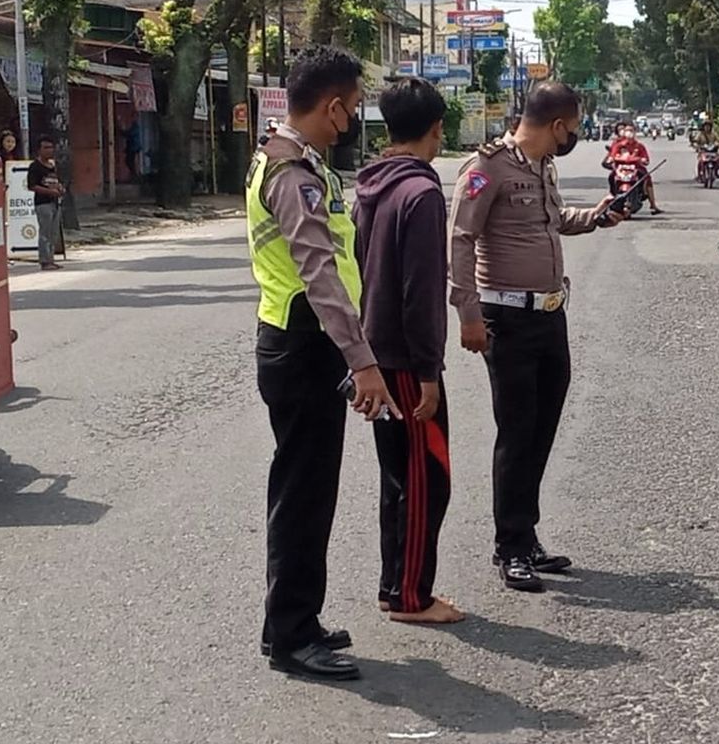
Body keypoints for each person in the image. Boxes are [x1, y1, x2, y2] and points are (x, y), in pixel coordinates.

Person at [248, 45, 401, 683]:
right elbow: (318, 272)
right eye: (353, 110)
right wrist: (362, 362)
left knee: (310, 492)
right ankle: (289, 636)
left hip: (302, 345)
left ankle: (297, 621)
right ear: (333, 106)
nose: (352, 123)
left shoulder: (292, 161)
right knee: (303, 496)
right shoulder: (293, 175)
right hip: (303, 347)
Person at [449, 82, 626, 593]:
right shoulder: (488, 168)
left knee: (542, 429)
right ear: (556, 125)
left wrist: (597, 216)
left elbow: (553, 222)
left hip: (550, 315)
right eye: (572, 130)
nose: (572, 137)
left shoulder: (542, 167)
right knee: (517, 432)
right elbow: (460, 239)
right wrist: (467, 314)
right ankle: (509, 547)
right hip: (506, 318)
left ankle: (526, 536)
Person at [352, 78, 463, 626]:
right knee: (427, 478)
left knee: (398, 475)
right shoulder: (420, 193)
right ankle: (412, 597)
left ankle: (392, 585)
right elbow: (422, 291)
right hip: (404, 358)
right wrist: (428, 372)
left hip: (376, 349)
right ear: (436, 130)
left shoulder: (371, 185)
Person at [605, 122, 663, 214]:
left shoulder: (639, 146)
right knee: (611, 177)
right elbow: (612, 155)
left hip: (636, 168)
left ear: (635, 132)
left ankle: (652, 204)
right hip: (621, 168)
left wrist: (643, 160)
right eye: (627, 130)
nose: (629, 133)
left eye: (631, 130)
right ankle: (612, 196)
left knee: (646, 178)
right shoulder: (619, 145)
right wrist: (611, 159)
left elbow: (646, 159)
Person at [26, 136, 64, 271]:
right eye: (46, 148)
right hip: (43, 204)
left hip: (55, 203)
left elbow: (55, 181)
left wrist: (59, 188)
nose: (50, 151)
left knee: (53, 233)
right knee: (45, 233)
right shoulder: (34, 167)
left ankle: (51, 258)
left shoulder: (52, 166)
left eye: (51, 147)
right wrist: (49, 192)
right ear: (39, 150)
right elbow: (32, 186)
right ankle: (44, 260)